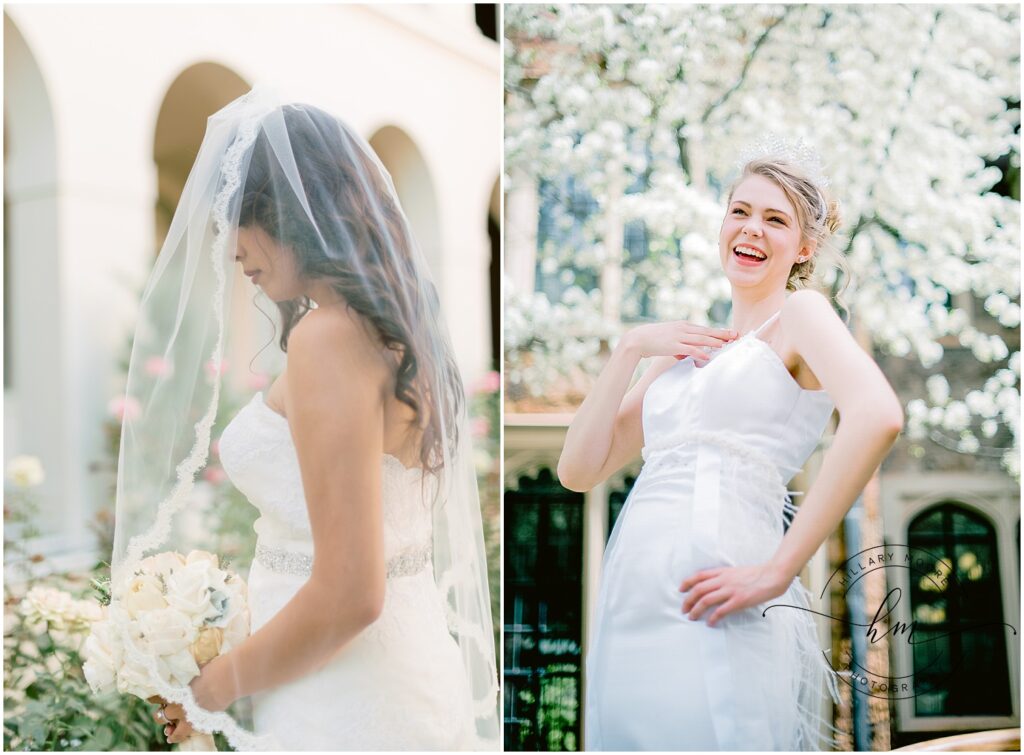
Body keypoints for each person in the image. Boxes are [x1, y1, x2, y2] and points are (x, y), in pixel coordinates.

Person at [110, 89, 499, 750]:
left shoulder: (329, 338)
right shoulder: (390, 332)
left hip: (342, 692)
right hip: (378, 669)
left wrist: (214, 685)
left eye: (237, 216)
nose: (229, 248)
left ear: (289, 213)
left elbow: (351, 589)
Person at [558, 147, 904, 750]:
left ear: (804, 248)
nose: (751, 228)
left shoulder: (802, 315)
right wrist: (632, 347)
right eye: (739, 211)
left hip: (720, 581)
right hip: (635, 590)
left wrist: (779, 570)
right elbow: (578, 470)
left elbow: (878, 415)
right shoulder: (681, 346)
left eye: (776, 219)